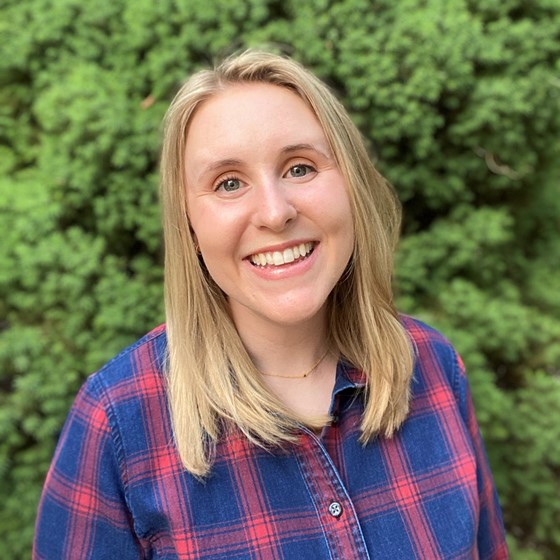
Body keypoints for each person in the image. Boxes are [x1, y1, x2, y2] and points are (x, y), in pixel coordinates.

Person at [34, 50, 508, 559]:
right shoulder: (118, 423)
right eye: (229, 183)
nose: (275, 212)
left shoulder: (433, 367)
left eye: (300, 167)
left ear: (351, 185)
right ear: (189, 225)